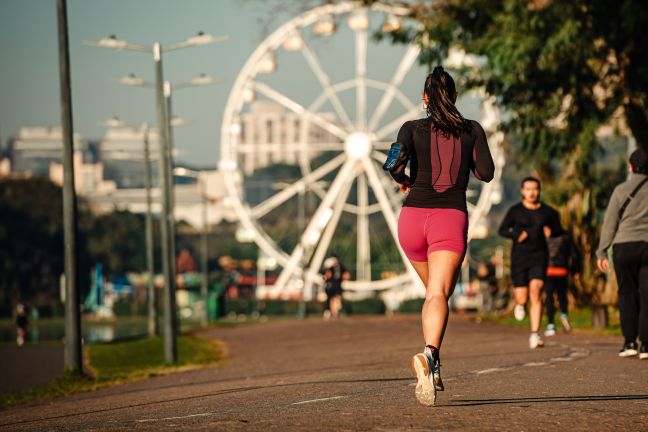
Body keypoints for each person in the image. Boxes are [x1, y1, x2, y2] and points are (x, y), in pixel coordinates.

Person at [384, 66, 494, 406]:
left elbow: (392, 162)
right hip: (449, 219)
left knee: (435, 294)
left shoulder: (411, 128)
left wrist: (402, 178)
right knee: (437, 294)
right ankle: (429, 356)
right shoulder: (472, 129)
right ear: (456, 96)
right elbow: (486, 173)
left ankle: (435, 365)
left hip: (411, 220)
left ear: (425, 98)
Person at [596, 148, 648, 360]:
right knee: (647, 295)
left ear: (630, 166)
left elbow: (610, 224)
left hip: (624, 247)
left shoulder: (620, 190)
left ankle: (629, 342)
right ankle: (646, 345)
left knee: (627, 293)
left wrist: (601, 251)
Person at [498, 177, 560, 349]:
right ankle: (520, 304)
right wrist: (517, 234)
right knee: (522, 296)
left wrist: (551, 231)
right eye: (528, 189)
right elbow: (502, 230)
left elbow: (558, 229)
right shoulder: (515, 211)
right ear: (522, 191)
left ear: (539, 190)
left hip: (539, 256)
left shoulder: (548, 212)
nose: (532, 192)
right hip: (519, 257)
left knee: (536, 291)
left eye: (535, 189)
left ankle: (535, 335)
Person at [544, 228, 580, 336]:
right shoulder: (565, 237)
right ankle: (564, 315)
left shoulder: (542, 238)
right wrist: (575, 270)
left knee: (549, 297)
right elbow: (574, 255)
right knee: (562, 295)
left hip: (548, 271)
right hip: (562, 271)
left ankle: (551, 325)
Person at [321, 256, 349, 320]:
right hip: (331, 286)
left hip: (337, 286)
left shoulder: (340, 268)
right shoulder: (329, 269)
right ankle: (332, 312)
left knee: (337, 299)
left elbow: (347, 275)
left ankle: (335, 312)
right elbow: (325, 276)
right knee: (332, 300)